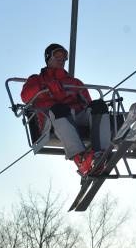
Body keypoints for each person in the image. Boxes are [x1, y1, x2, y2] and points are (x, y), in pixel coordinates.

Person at [21, 43, 111, 176]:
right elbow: (25, 96)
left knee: (98, 105)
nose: (61, 60)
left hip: (76, 115)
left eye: (64, 57)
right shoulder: (36, 79)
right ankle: (80, 159)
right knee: (60, 109)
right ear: (48, 58)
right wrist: (45, 86)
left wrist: (90, 108)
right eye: (57, 55)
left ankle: (100, 155)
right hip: (50, 118)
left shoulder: (74, 82)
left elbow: (87, 102)